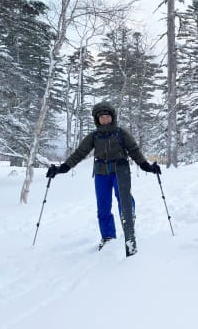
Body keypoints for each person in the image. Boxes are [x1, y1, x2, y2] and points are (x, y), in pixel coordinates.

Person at [46, 101, 161, 248]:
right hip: (101, 173)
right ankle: (107, 237)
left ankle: (128, 217)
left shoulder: (121, 133)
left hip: (120, 172)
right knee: (103, 207)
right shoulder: (94, 137)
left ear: (112, 117)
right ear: (97, 120)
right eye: (101, 118)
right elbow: (79, 153)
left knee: (124, 199)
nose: (105, 120)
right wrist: (62, 168)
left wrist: (147, 167)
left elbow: (134, 151)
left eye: (107, 117)